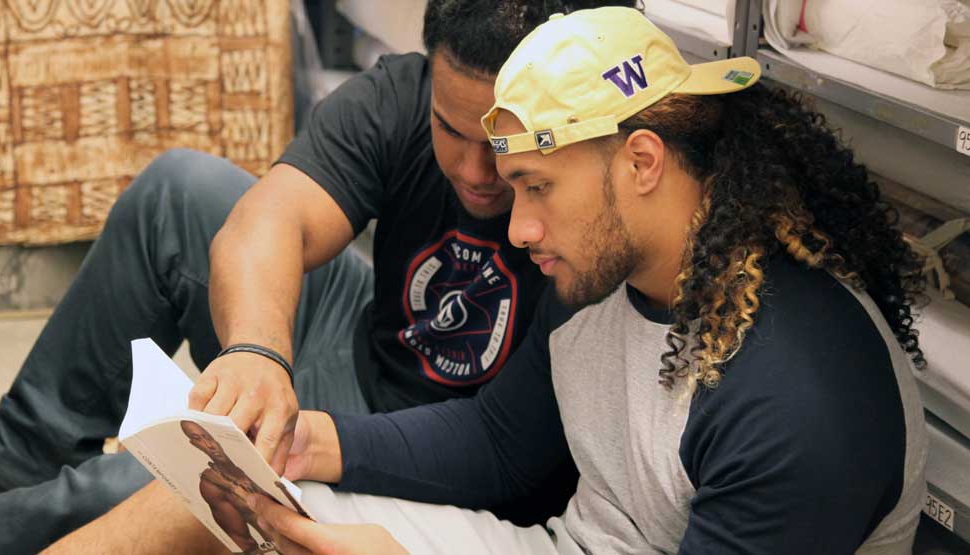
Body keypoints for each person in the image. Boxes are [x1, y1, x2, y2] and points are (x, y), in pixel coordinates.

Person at [49, 6, 929, 554]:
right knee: (204, 503)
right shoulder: (606, 275)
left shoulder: (799, 399)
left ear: (643, 162)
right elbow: (501, 444)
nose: (517, 227)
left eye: (536, 189)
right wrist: (297, 447)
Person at [0, 1, 638, 553]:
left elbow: (499, 445)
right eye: (449, 129)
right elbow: (270, 218)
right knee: (180, 190)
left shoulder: (600, 218)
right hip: (369, 364)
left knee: (159, 491)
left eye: (503, 149)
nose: (476, 173)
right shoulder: (402, 95)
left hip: (447, 452)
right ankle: (4, 470)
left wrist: (295, 443)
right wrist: (259, 355)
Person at [181, 421, 276, 553]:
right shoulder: (212, 486)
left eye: (209, 437)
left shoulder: (259, 446)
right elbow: (247, 547)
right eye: (199, 439)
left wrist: (233, 488)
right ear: (194, 444)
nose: (210, 445)